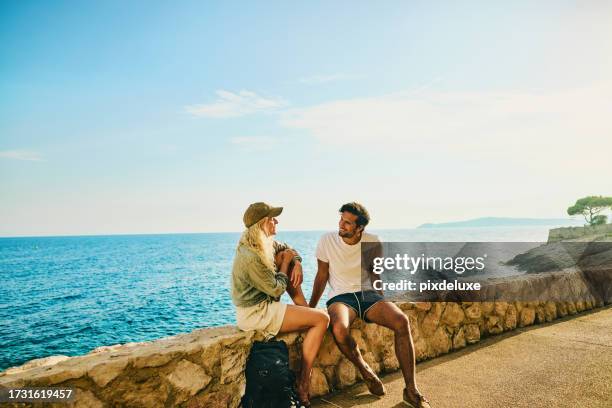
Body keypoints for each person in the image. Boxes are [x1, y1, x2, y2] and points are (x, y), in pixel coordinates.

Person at [309, 202, 431, 408]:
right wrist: (311, 307)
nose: (341, 224)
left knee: (401, 321)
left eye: (347, 223)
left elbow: (375, 273)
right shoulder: (326, 240)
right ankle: (365, 370)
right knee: (339, 328)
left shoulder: (373, 241)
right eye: (341, 219)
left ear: (359, 228)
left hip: (367, 295)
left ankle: (411, 390)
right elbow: (321, 276)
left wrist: (383, 301)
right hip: (340, 297)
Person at [231, 202, 329, 406]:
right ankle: (303, 382)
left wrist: (297, 262)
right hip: (255, 314)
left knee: (286, 257)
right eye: (272, 219)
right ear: (263, 223)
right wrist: (285, 263)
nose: (276, 221)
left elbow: (288, 249)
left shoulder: (264, 243)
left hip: (265, 307)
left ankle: (306, 312)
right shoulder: (250, 257)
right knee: (322, 319)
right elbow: (276, 289)